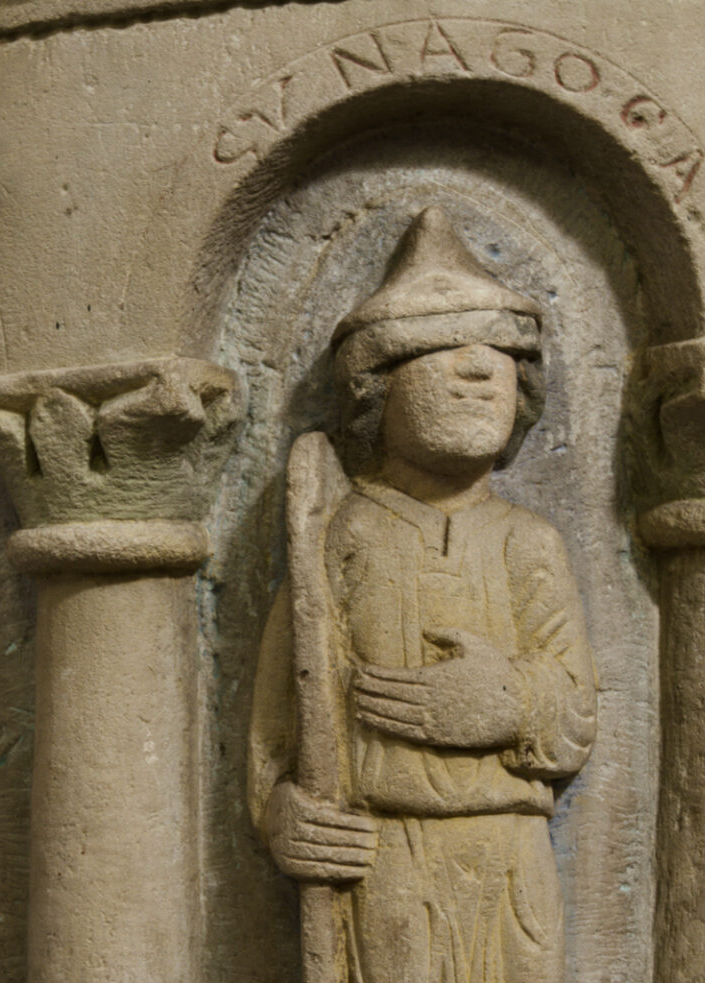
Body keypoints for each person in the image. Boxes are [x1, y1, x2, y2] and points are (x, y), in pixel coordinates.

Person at [248, 207, 597, 983]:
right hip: (386, 854)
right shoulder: (342, 536)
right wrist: (283, 813)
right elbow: (278, 721)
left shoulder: (529, 542)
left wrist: (510, 700)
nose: (479, 371)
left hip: (511, 852)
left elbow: (576, 708)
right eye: (442, 349)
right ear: (374, 388)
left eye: (502, 355)